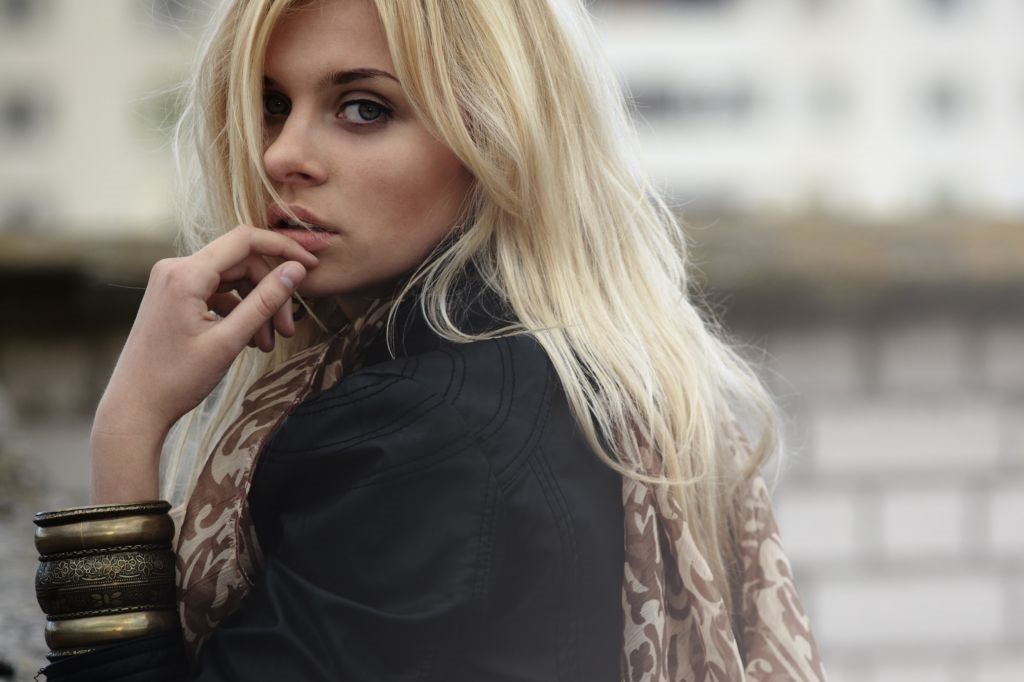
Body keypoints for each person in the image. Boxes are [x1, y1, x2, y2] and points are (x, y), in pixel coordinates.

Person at [32, 0, 827, 680]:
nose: (281, 156)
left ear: (494, 137)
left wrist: (127, 429)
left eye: (363, 109)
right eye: (272, 103)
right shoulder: (579, 362)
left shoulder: (422, 436)